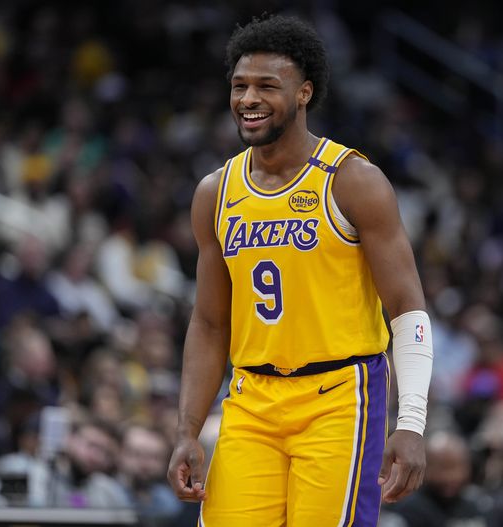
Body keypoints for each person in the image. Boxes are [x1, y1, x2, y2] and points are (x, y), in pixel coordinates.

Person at [166, 14, 433, 527]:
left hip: (339, 398)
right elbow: (210, 323)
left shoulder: (353, 181)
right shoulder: (215, 192)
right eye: (240, 86)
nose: (249, 98)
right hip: (251, 398)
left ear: (304, 92)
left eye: (267, 86)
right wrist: (188, 429)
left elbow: (407, 309)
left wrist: (412, 422)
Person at [385, 430, 491, 527]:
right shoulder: (409, 509)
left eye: (458, 467)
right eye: (444, 468)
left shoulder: (477, 504)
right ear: (424, 468)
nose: (452, 476)